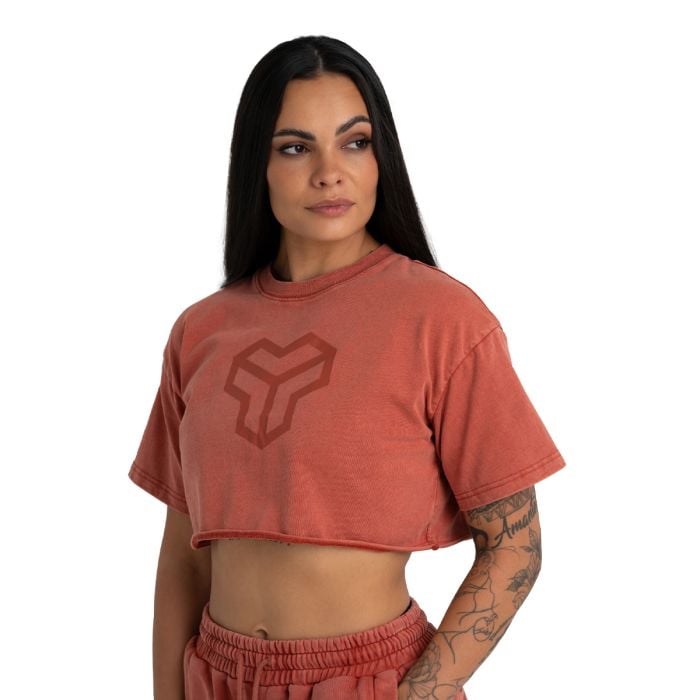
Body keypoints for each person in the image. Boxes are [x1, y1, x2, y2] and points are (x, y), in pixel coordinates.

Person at [128, 35, 567, 700]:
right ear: (256, 164)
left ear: (380, 155)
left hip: (373, 682)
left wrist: (417, 694)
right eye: (295, 147)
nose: (330, 172)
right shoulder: (201, 332)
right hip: (214, 677)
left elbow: (515, 549)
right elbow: (183, 559)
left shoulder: (443, 320)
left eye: (355, 142)